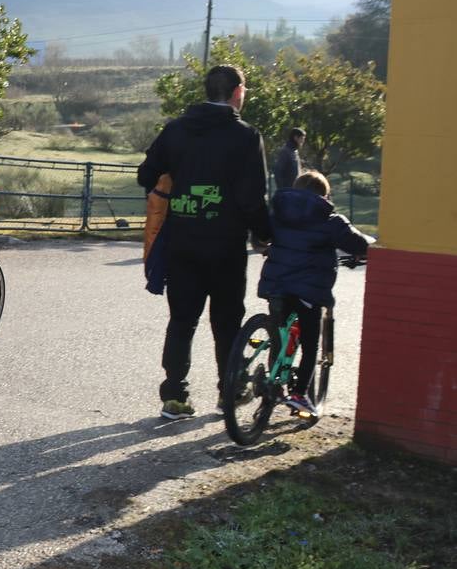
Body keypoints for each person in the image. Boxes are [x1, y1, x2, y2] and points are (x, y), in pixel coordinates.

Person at [137, 64, 272, 420]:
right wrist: (265, 234)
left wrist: (177, 184)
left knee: (181, 320)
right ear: (237, 92)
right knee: (227, 323)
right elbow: (252, 197)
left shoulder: (176, 130)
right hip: (225, 245)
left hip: (181, 241)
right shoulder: (246, 136)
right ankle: (228, 394)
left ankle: (174, 398)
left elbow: (145, 174)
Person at [257, 170, 370, 416]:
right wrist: (367, 249)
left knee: (279, 334)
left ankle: (274, 386)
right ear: (324, 194)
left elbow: (263, 234)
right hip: (308, 291)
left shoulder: (278, 212)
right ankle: (299, 396)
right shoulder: (330, 219)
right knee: (309, 343)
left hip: (275, 285)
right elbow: (357, 243)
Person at [273, 127, 306, 191]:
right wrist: (282, 190)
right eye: (302, 138)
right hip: (288, 192)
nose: (303, 141)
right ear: (296, 137)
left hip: (295, 191)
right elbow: (278, 172)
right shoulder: (285, 152)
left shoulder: (294, 151)